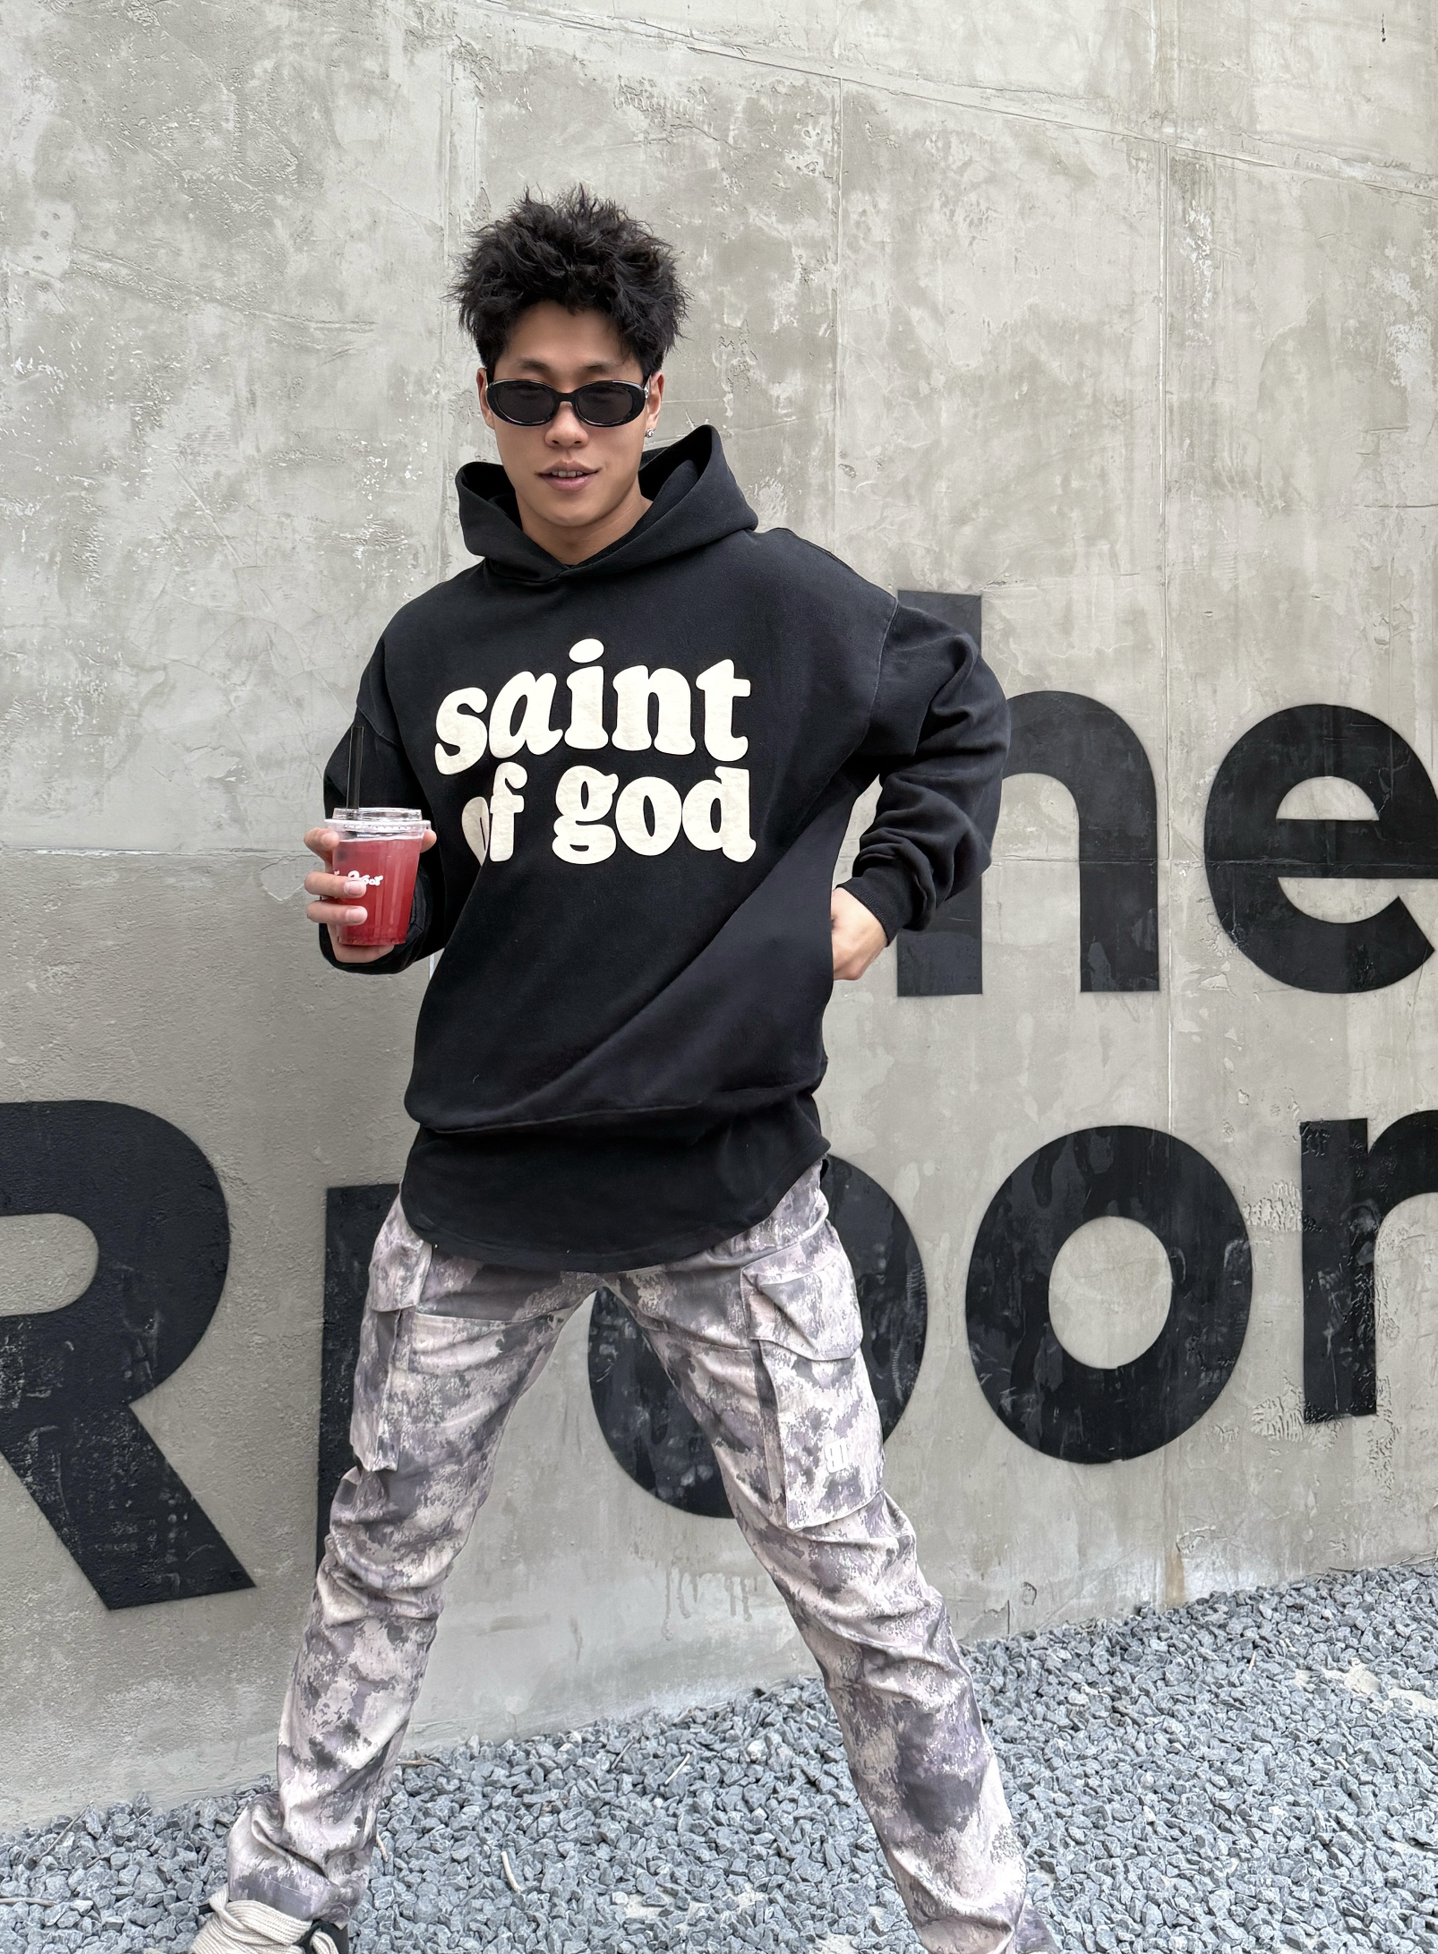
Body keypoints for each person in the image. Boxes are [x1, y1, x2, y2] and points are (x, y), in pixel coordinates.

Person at [194, 187, 1058, 1954]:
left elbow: (963, 720)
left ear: (653, 398)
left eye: (600, 394)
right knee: (377, 1563)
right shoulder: (430, 647)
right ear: (486, 400)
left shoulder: (782, 599)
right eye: (529, 395)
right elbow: (403, 891)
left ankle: (978, 1927)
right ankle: (284, 1902)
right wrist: (362, 922)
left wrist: (871, 908)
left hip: (728, 1186)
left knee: (854, 1579)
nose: (566, 431)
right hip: (484, 1188)